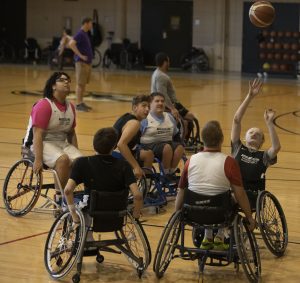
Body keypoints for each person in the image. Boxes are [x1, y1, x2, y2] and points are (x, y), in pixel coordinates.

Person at [175, 120, 255, 250]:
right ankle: (219, 236)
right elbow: (240, 194)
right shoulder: (229, 162)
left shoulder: (191, 160)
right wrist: (250, 217)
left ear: (203, 139)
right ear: (222, 139)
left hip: (193, 213)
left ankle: (208, 236)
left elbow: (181, 190)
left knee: (206, 197)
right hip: (219, 214)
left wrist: (177, 213)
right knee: (233, 197)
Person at [64, 127, 143, 226]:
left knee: (68, 200)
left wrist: (74, 216)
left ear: (94, 145)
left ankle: (84, 233)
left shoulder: (82, 163)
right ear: (114, 147)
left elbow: (67, 190)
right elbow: (138, 195)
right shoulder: (125, 165)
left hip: (92, 207)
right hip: (117, 209)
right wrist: (135, 216)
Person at [23, 72, 82, 201]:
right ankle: (60, 198)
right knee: (63, 159)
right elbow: (38, 134)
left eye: (68, 80)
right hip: (39, 142)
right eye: (62, 80)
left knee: (80, 161)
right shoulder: (44, 105)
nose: (66, 82)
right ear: (53, 86)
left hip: (60, 142)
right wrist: (38, 159)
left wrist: (77, 153)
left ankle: (70, 194)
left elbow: (71, 132)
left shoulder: (70, 106)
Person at [231, 78, 281, 206]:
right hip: (233, 192)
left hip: (252, 196)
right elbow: (236, 120)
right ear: (244, 138)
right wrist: (249, 96)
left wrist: (270, 124)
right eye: (251, 132)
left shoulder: (264, 156)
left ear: (261, 142)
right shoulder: (237, 148)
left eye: (258, 134)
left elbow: (276, 148)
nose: (254, 134)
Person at [151, 52, 198, 137]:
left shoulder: (156, 73)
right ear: (165, 62)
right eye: (168, 61)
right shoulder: (161, 76)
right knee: (188, 120)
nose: (169, 63)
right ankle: (182, 142)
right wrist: (172, 108)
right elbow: (162, 94)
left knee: (190, 117)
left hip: (171, 103)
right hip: (170, 104)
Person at [140, 92, 184, 179]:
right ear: (150, 104)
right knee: (167, 148)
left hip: (167, 143)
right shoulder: (145, 118)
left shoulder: (170, 117)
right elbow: (137, 136)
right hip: (149, 145)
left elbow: (176, 135)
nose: (160, 103)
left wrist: (180, 144)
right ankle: (165, 175)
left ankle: (171, 172)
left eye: (162, 101)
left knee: (180, 148)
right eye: (157, 101)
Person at [113, 95, 154, 180]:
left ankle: (145, 182)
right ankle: (144, 183)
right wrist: (136, 167)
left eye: (148, 107)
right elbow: (121, 144)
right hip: (115, 156)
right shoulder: (134, 123)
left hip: (112, 153)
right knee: (147, 155)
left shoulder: (126, 117)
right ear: (135, 107)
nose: (147, 109)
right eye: (144, 106)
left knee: (148, 154)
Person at [69, 17, 93, 112]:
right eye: (90, 23)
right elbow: (71, 44)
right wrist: (80, 55)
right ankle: (78, 104)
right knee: (80, 84)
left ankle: (81, 102)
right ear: (86, 23)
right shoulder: (80, 33)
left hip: (86, 63)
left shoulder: (85, 34)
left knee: (83, 84)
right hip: (81, 63)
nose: (91, 26)